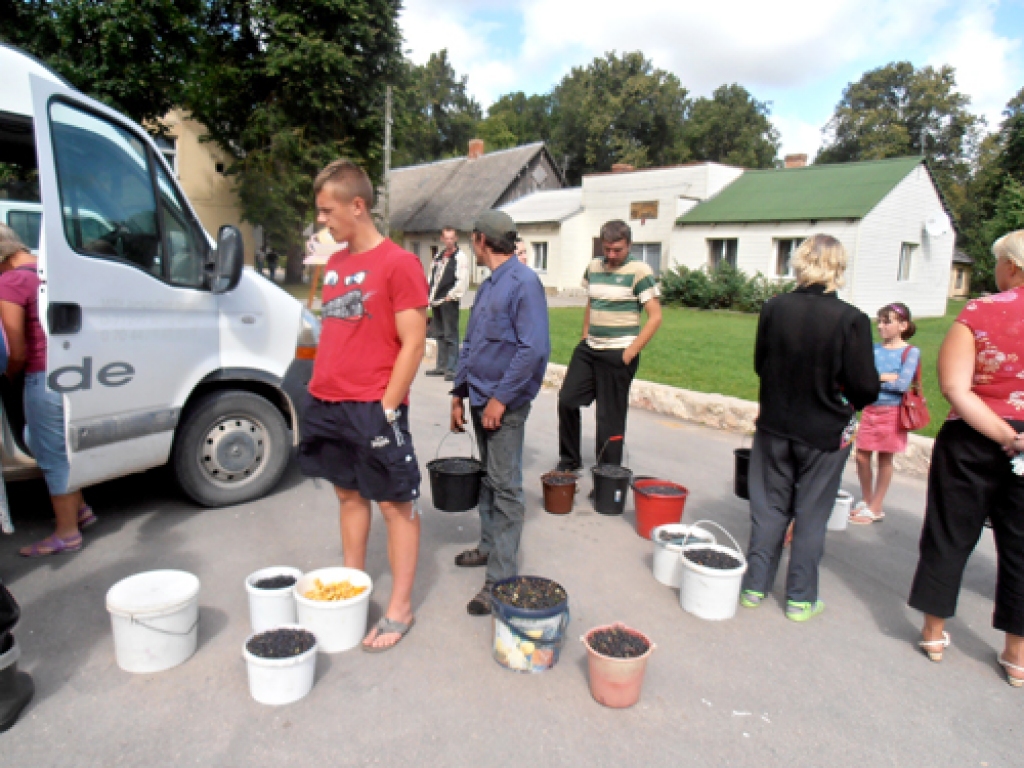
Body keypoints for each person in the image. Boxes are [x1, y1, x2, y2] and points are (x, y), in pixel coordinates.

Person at [297, 160, 428, 652]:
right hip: (328, 401)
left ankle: (400, 608)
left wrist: (387, 407)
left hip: (373, 405)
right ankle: (352, 592)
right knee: (348, 496)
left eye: (327, 211)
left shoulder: (399, 263)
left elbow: (413, 343)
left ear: (357, 205)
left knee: (395, 503)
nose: (321, 221)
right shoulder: (335, 263)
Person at [740, 234, 879, 621]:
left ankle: (754, 586)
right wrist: (845, 399)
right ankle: (800, 598)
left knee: (768, 508)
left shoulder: (774, 308)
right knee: (811, 513)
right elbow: (865, 386)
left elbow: (761, 364)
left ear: (799, 262)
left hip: (776, 424)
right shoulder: (851, 319)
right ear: (838, 266)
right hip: (824, 431)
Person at [908, 229, 1024, 686]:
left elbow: (955, 387)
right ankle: (1017, 655)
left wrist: (1004, 434)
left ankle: (934, 633)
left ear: (1011, 266)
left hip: (973, 438)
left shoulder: (979, 312)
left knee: (949, 533)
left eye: (997, 263)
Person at [450, 210, 550, 615]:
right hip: (479, 397)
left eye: (471, 239)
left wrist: (501, 399)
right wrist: (458, 393)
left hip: (503, 405)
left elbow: (533, 349)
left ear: (480, 240)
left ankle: (500, 580)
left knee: (506, 487)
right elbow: (471, 343)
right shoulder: (489, 284)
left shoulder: (524, 283)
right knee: (489, 480)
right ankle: (489, 546)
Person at [0, 224, 94, 557]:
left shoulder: (10, 282)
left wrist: (9, 377)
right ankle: (80, 509)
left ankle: (67, 534)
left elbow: (16, 351)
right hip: (71, 373)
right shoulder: (52, 271)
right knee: (47, 443)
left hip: (41, 376)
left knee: (53, 456)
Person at [555, 220, 662, 474]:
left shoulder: (639, 271)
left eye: (618, 250)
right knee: (567, 400)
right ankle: (569, 460)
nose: (612, 255)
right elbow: (592, 303)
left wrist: (630, 352)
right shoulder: (594, 267)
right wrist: (584, 337)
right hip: (590, 349)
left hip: (619, 352)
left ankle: (607, 473)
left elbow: (655, 317)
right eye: (607, 249)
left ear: (629, 245)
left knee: (609, 418)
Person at [851, 302, 920, 524]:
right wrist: (884, 377)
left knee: (884, 458)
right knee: (861, 456)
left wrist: (874, 379)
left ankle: (876, 506)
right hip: (870, 409)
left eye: (887, 322)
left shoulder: (910, 352)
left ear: (903, 325)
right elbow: (860, 378)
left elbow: (902, 385)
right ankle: (867, 499)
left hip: (892, 412)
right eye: (879, 321)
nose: (880, 326)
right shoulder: (873, 349)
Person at [426, 227, 470, 381]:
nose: (449, 241)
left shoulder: (460, 257)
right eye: (446, 238)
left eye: (452, 238)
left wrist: (451, 296)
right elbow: (432, 276)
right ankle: (441, 366)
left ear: (456, 239)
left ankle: (452, 368)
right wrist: (429, 295)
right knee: (439, 334)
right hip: (436, 300)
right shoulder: (439, 256)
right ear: (442, 239)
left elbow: (462, 279)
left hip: (448, 300)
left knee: (451, 334)